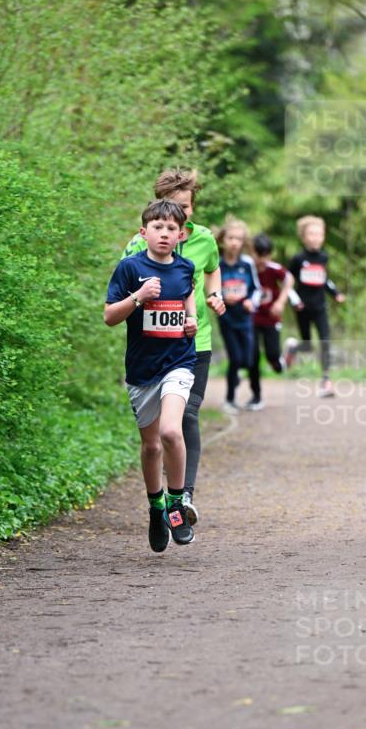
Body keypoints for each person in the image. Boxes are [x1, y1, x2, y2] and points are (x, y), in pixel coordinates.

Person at [122, 168, 225, 526]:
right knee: (155, 437)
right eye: (174, 208)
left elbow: (212, 269)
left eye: (187, 208)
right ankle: (159, 501)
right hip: (150, 349)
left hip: (194, 343)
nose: (180, 219)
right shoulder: (139, 245)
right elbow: (121, 288)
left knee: (187, 415)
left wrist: (214, 294)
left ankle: (184, 497)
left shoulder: (205, 240)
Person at [105, 200, 197, 552]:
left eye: (171, 228)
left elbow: (187, 299)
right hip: (142, 370)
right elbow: (110, 317)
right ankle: (156, 507)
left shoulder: (186, 268)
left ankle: (176, 504)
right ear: (144, 233)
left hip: (179, 362)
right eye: (157, 227)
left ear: (180, 235)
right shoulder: (130, 268)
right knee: (151, 445)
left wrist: (191, 320)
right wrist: (139, 297)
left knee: (172, 431)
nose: (164, 233)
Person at [284, 215, 346, 397]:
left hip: (320, 307)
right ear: (303, 237)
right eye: (311, 234)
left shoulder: (324, 257)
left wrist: (336, 294)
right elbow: (287, 282)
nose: (316, 237)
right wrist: (294, 301)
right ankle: (293, 348)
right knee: (308, 345)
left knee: (326, 341)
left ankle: (326, 381)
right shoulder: (297, 259)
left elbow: (324, 279)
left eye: (319, 234)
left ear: (323, 236)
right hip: (303, 308)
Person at [215, 218, 259, 413]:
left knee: (248, 360)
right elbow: (209, 290)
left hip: (245, 318)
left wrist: (251, 301)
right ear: (223, 239)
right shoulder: (216, 263)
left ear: (243, 242)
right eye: (231, 238)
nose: (234, 242)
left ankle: (241, 382)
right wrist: (223, 297)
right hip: (226, 318)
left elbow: (256, 289)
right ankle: (230, 399)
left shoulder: (248, 263)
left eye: (239, 239)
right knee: (235, 358)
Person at [247, 232, 294, 410]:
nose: (262, 259)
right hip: (251, 319)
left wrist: (281, 302)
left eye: (266, 255)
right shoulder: (247, 267)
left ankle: (287, 356)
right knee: (252, 357)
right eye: (259, 255)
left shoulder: (273, 268)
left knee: (272, 358)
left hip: (271, 319)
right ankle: (256, 396)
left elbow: (289, 279)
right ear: (252, 252)